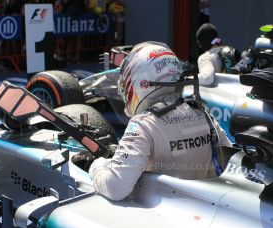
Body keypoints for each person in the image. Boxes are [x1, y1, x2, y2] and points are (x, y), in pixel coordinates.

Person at [89, 41, 232, 201]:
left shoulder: (143, 125)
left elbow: (115, 187)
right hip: (208, 207)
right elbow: (230, 158)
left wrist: (97, 168)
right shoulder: (202, 112)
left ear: (139, 82)